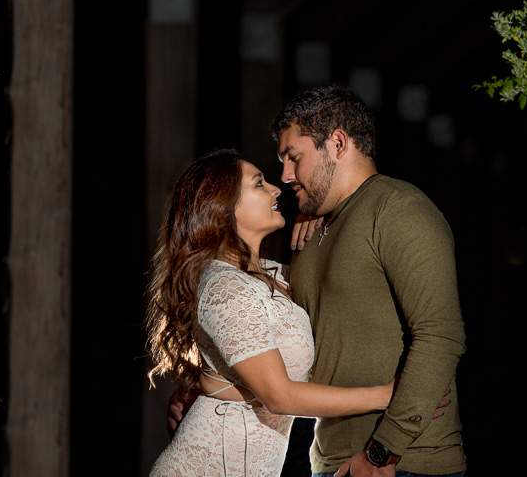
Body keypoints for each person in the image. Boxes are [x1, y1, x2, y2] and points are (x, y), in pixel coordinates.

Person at [145, 149, 399, 477]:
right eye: (258, 184)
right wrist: (386, 396)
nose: (276, 189)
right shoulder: (224, 287)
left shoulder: (273, 275)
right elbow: (279, 396)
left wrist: (320, 218)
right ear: (222, 209)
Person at [271, 84, 466, 477]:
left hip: (405, 464)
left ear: (338, 143)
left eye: (294, 158)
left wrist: (383, 453)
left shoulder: (398, 209)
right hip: (329, 462)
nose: (285, 175)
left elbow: (441, 336)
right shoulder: (312, 229)